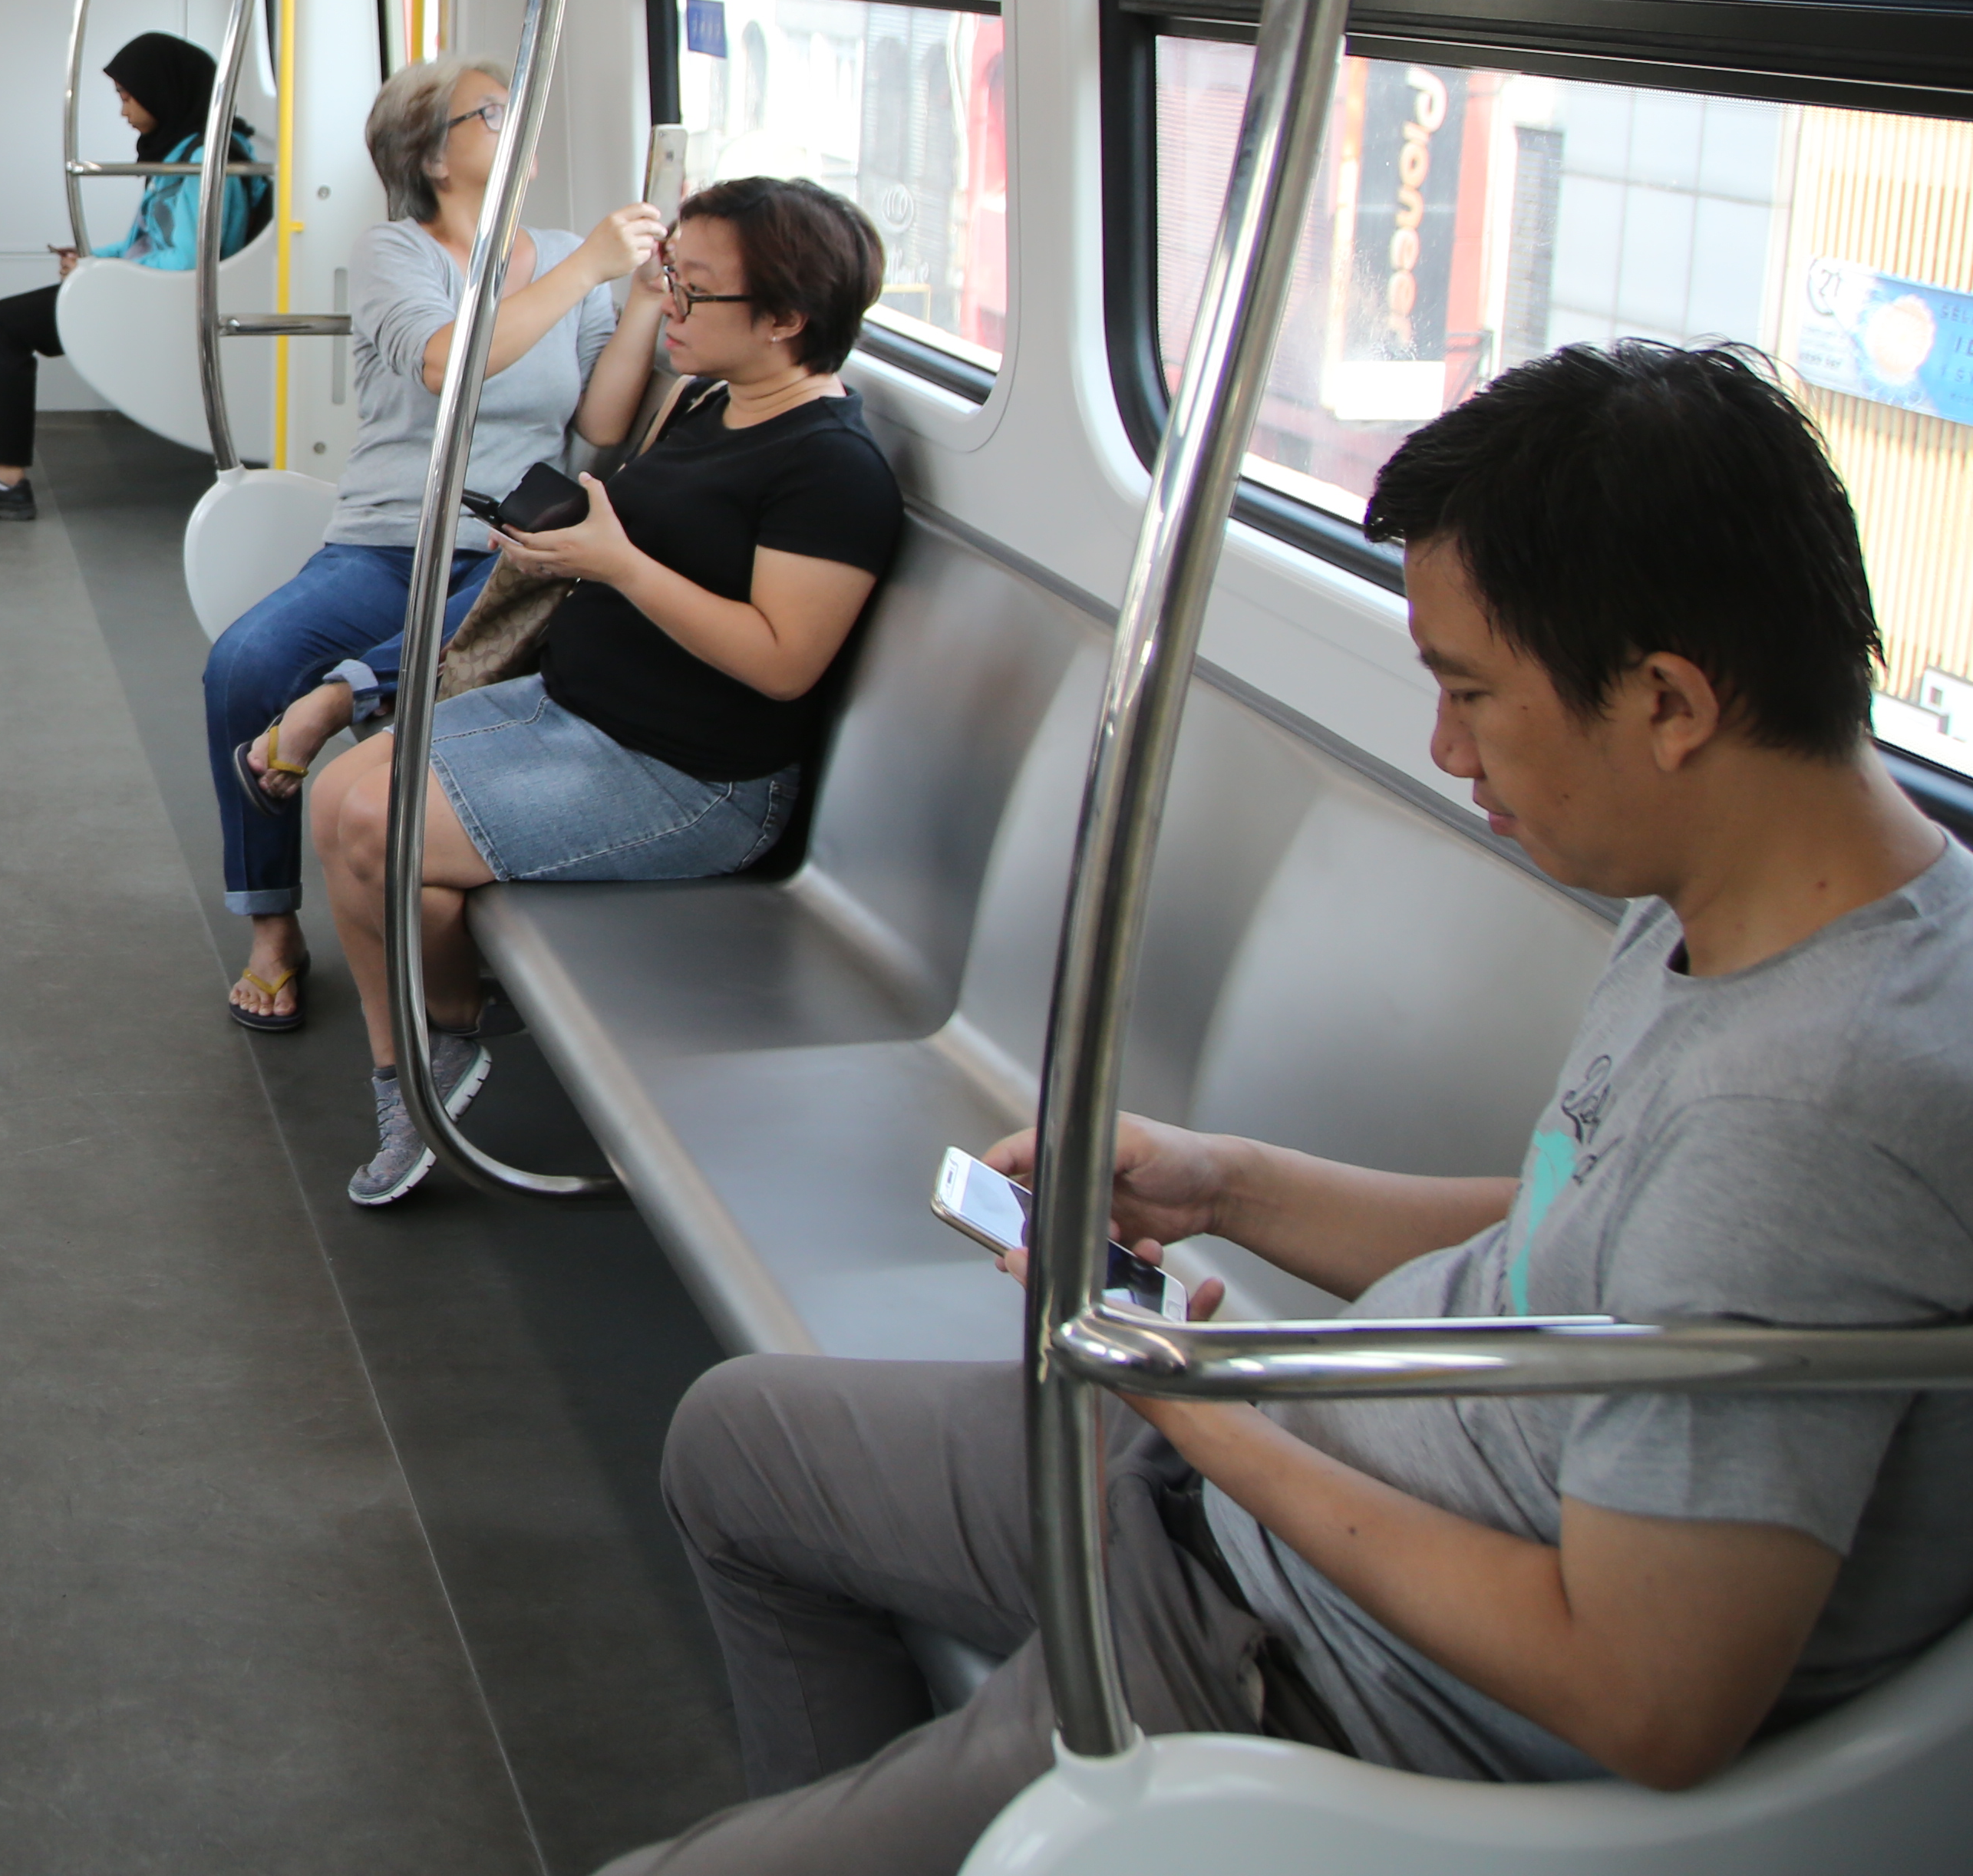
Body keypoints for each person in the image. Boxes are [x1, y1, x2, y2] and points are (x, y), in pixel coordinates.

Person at [609, 341, 1973, 1875]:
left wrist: (1199, 1405)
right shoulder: (1739, 905)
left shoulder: (1811, 1119)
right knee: (739, 1447)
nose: (1449, 751)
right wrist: (1225, 1188)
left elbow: (1646, 1697)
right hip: (1263, 1478)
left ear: (1669, 702)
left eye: (1470, 692)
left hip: (1308, 1670)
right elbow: (1583, 1238)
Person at [301, 177, 901, 1205]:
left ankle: (425, 1056)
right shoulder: (706, 399)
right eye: (670, 274)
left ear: (787, 321)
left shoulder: (830, 471)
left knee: (381, 830)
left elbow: (779, 660)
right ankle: (434, 1046)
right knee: (335, 802)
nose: (667, 299)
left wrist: (618, 564)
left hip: (688, 777)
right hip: (573, 709)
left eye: (693, 289)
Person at [201, 58, 651, 1033]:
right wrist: (590, 272)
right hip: (387, 539)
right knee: (243, 664)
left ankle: (340, 699)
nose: (515, 123)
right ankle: (271, 927)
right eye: (492, 113)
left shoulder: (574, 258)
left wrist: (644, 299)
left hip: (504, 546)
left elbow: (606, 421)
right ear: (434, 155)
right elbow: (451, 361)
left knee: (480, 614)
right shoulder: (395, 255)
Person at [0, 28, 272, 521]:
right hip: (146, 288)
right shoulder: (182, 150)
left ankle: (4, 481)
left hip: (167, 301)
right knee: (2, 320)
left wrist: (100, 270)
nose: (123, 111)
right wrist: (91, 261)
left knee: (6, 323)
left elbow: (185, 263)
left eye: (128, 98)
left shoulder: (204, 163)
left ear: (164, 92)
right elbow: (146, 240)